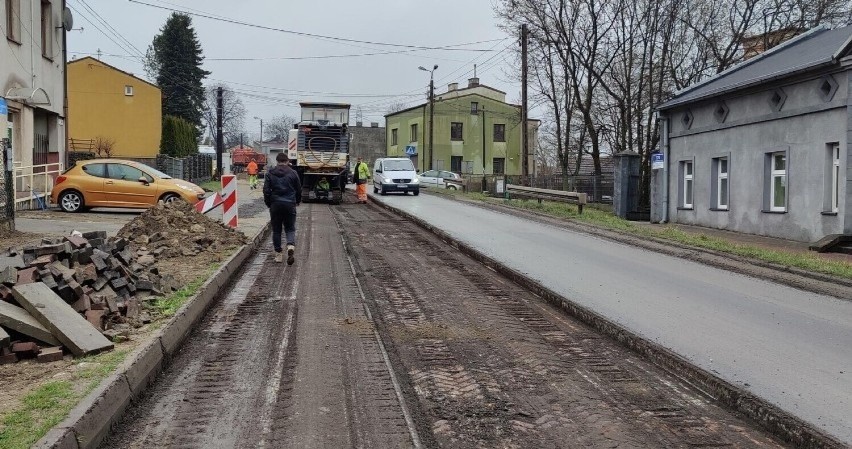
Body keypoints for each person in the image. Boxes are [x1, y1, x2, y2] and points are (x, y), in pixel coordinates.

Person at [263, 152, 302, 265]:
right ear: (287, 161)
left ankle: (278, 255)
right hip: (290, 204)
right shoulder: (293, 173)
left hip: (275, 204)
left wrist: (268, 203)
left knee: (276, 230)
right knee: (290, 228)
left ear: (277, 161)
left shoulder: (270, 173)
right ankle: (290, 245)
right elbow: (298, 189)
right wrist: (297, 201)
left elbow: (266, 190)